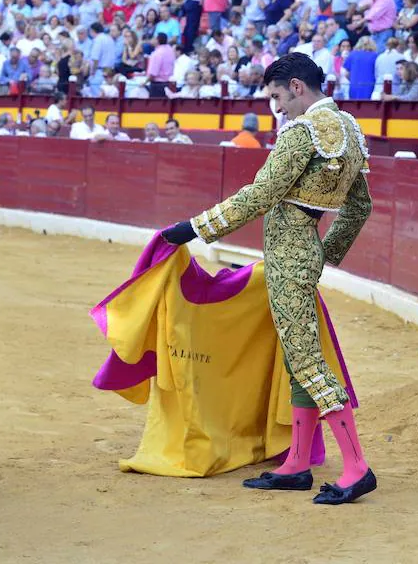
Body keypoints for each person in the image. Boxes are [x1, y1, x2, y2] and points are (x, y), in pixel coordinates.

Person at [160, 53, 376, 505]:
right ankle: (297, 463)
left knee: (309, 363)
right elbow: (359, 207)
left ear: (297, 87)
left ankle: (356, 468)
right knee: (298, 359)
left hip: (285, 254)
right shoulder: (351, 131)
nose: (276, 108)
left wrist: (196, 228)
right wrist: (325, 252)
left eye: (277, 96)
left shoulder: (301, 133)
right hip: (304, 252)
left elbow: (261, 194)